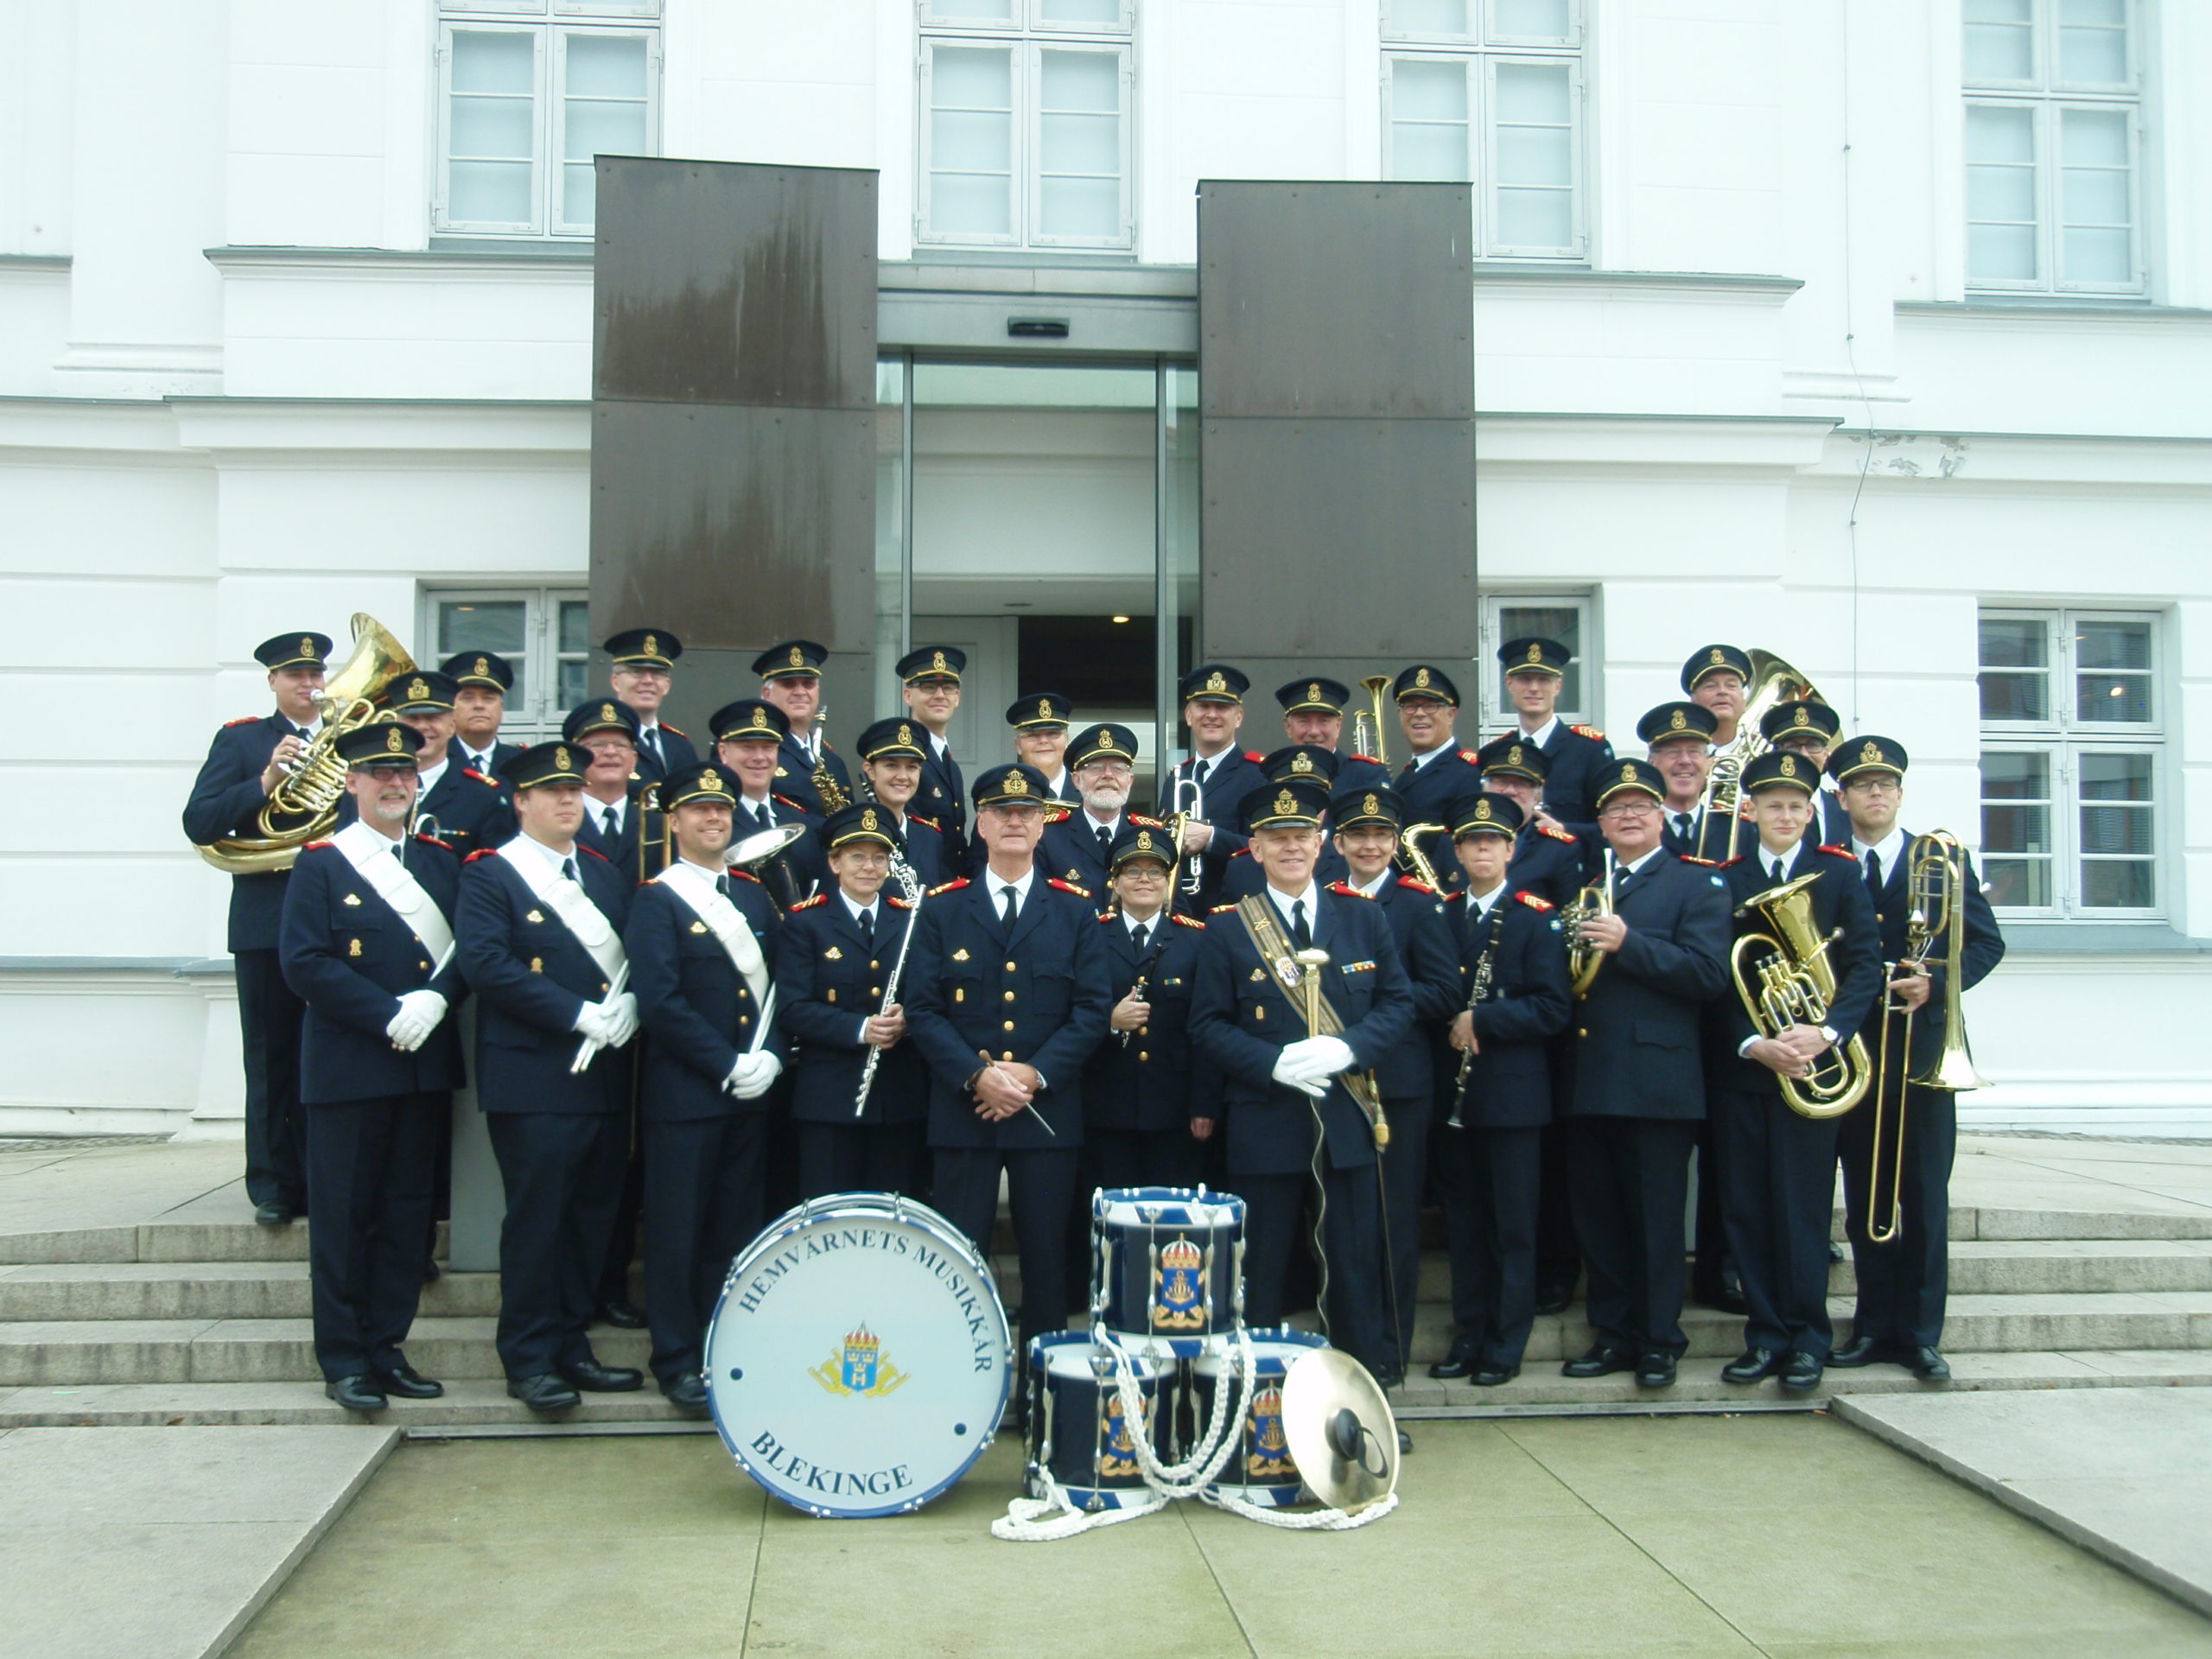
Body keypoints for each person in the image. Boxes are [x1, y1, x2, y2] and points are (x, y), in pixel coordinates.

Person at [1188, 777, 1414, 1382]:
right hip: (1265, 1123)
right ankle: (1252, 1413)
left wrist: (1348, 1047)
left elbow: (1397, 1005)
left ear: (1323, 845)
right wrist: (1272, 1063)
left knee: (1354, 1274)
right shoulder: (1229, 929)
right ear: (1254, 849)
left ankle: (1362, 1408)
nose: (1290, 847)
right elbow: (1206, 1026)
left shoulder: (1363, 920)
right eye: (1275, 838)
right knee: (1258, 1276)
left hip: (1347, 1122)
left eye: (1301, 836)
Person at [278, 722, 466, 1413]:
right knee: (343, 1217)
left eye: (405, 773)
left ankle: (388, 1348)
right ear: (353, 783)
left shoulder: (441, 863)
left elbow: (466, 956)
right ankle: (344, 1359)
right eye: (380, 774)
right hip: (351, 1067)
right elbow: (303, 962)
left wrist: (436, 1000)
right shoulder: (322, 862)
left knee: (406, 1218)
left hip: (421, 1069)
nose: (395, 784)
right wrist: (386, 1012)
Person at [454, 740, 643, 1414]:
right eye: (553, 792)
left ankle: (572, 1344)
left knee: (590, 1215)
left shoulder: (601, 871)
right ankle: (529, 1357)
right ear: (521, 800)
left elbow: (633, 953)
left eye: (575, 790)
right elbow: (486, 964)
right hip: (534, 1075)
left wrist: (628, 1003)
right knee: (538, 1219)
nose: (569, 800)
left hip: (604, 1076)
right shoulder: (490, 874)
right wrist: (577, 1014)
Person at [903, 763, 1112, 1364]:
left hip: (1045, 1112)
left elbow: (1092, 1009)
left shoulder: (1075, 911)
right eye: (1002, 812)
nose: (1016, 821)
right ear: (982, 825)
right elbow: (923, 1007)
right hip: (963, 1108)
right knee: (957, 1256)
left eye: (1027, 812)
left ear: (1044, 826)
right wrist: (977, 1075)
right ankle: (956, 1381)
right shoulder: (942, 909)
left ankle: (1042, 1393)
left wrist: (1034, 1074)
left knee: (1046, 1259)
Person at [1827, 735, 2005, 1382]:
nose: (1877, 793)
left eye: (1887, 784)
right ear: (1841, 797)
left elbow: (1986, 944)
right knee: (1867, 1193)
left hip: (1926, 1053)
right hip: (1857, 1056)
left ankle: (1922, 1334)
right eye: (1863, 784)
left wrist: (1937, 982)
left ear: (1900, 794)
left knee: (1925, 1196)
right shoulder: (1828, 862)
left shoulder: (1944, 856)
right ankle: (1873, 1326)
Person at [1708, 752, 1882, 1395]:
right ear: (1750, 810)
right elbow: (1717, 980)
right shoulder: (1725, 879)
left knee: (1802, 1212)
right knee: (1748, 1212)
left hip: (1812, 1065)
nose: (1784, 814)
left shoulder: (1837, 875)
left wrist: (1828, 1030)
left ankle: (1809, 1339)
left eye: (1795, 805)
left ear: (1811, 813)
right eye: (1772, 804)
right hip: (1749, 1073)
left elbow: (1865, 964)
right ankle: (1765, 1336)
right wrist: (1754, 1041)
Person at [1558, 758, 1731, 1389]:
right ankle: (1614, 1333)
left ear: (1662, 816)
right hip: (1587, 1076)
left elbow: (1709, 977)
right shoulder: (1585, 881)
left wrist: (1629, 943)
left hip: (1657, 1082)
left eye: (1640, 806)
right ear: (1600, 822)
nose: (1628, 816)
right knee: (1599, 1220)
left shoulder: (1696, 884)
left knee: (1656, 1223)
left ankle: (1660, 1340)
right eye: (1615, 809)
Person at [624, 760, 785, 1416]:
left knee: (737, 1230)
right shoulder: (655, 899)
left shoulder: (751, 894)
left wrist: (772, 1056)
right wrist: (727, 1063)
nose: (714, 819)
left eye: (722, 811)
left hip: (753, 1097)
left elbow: (782, 988)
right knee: (677, 1232)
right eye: (699, 811)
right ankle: (677, 1359)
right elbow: (661, 1003)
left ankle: (729, 1347)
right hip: (688, 1097)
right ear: (675, 821)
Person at [182, 629, 333, 1226]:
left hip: (336, 923)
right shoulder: (243, 741)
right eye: (294, 675)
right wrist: (267, 782)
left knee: (336, 1057)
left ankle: (329, 1177)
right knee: (271, 1057)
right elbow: (199, 821)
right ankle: (273, 1185)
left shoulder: (354, 746)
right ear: (273, 682)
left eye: (315, 673)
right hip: (267, 921)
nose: (307, 684)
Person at [1429, 791, 1571, 1387]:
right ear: (1457, 851)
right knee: (1464, 1225)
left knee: (1512, 1226)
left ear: (1511, 849)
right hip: (1452, 1097)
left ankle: (1505, 1345)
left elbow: (1552, 1008)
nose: (1481, 849)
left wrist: (1483, 1020)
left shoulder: (1535, 917)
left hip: (1512, 1097)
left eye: (1493, 841)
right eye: (1471, 841)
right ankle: (1469, 1335)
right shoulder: (1441, 913)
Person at [1326, 783, 1463, 1370]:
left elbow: (1444, 990)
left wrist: (1376, 1007)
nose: (1371, 845)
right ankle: (1346, 1341)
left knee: (1393, 1221)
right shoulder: (1323, 900)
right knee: (1340, 1220)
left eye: (1381, 836)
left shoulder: (1418, 904)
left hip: (1397, 1084)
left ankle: (1390, 1353)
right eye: (1359, 835)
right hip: (1336, 1083)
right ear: (1339, 842)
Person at [780, 803, 931, 1201]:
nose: (870, 867)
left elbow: (929, 994)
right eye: (857, 856)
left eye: (879, 857)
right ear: (834, 862)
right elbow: (792, 1008)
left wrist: (907, 1019)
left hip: (898, 1097)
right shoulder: (805, 922)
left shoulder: (911, 918)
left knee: (892, 1215)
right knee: (829, 1213)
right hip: (828, 1099)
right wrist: (861, 1029)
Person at [1079, 826, 1214, 1193]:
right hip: (1103, 1103)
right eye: (1132, 871)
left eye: (1155, 872)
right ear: (1115, 883)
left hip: (1173, 1106)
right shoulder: (1087, 936)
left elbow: (1205, 1030)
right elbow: (1068, 1010)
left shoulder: (1197, 941)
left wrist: (1203, 1105)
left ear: (1167, 882)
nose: (1144, 880)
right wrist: (1109, 1020)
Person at [1155, 664, 1266, 911]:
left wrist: (1212, 839)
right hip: (1177, 914)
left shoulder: (1258, 776)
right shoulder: (1176, 778)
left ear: (1238, 717)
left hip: (1233, 912)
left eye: (1222, 707)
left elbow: (1271, 849)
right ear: (1188, 715)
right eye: (1203, 707)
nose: (1212, 715)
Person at [380, 671, 512, 860]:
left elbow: (492, 872)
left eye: (432, 718)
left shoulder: (484, 796)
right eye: (412, 719)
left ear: (452, 726)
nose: (423, 727)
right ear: (396, 726)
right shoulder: (367, 787)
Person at [710, 698, 828, 909]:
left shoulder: (798, 820)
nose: (759, 757)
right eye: (747, 747)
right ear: (723, 752)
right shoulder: (713, 822)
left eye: (768, 747)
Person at [1495, 637, 1615, 832]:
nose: (1534, 688)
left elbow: (1611, 827)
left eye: (1543, 680)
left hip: (1571, 860)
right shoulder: (1500, 752)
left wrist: (1564, 829)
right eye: (1525, 679)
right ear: (1509, 683)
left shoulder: (1589, 749)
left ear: (1557, 686)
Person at [1039, 722, 1166, 894]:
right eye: (1096, 768)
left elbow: (1173, 910)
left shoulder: (1154, 836)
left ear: (1129, 780)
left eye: (1118, 768)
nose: (1108, 775)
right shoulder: (1046, 836)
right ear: (1076, 781)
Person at [1392, 664, 1483, 893]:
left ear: (1451, 714)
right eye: (1410, 706)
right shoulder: (1405, 777)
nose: (1419, 714)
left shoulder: (1470, 773)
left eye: (1431, 706)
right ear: (1400, 714)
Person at [1472, 735, 1589, 907]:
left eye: (1522, 784)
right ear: (1485, 788)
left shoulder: (1559, 850)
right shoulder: (1456, 840)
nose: (1510, 791)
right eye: (1502, 781)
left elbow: (1567, 919)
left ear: (1537, 795)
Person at [565, 697, 666, 882]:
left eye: (620, 745)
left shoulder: (660, 823)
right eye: (598, 745)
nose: (611, 752)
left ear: (634, 760)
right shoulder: (559, 819)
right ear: (575, 758)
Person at [1642, 700, 1753, 864]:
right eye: (1673, 753)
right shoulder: (1636, 826)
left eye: (1694, 752)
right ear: (1652, 761)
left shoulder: (1739, 829)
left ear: (1709, 762)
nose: (1685, 761)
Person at [753, 639, 852, 814]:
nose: (800, 692)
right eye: (789, 684)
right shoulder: (753, 751)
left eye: (808, 684)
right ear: (766, 694)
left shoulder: (832, 761)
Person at [853, 716, 953, 889]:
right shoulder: (850, 835)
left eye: (911, 767)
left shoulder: (930, 838)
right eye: (891, 765)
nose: (902, 776)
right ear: (870, 771)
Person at [899, 645, 969, 861]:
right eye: (928, 687)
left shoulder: (949, 764)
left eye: (947, 688)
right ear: (908, 696)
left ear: (957, 697)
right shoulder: (901, 756)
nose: (939, 695)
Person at [604, 628, 696, 785]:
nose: (648, 681)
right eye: (637, 672)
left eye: (657, 673)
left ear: (667, 685)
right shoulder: (602, 743)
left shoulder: (681, 746)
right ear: (616, 682)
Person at [1273, 676, 1389, 791]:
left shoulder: (1367, 776)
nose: (1314, 731)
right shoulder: (1273, 779)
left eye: (1324, 721)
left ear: (1338, 725)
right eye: (1304, 721)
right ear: (1288, 727)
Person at [1762, 699, 1853, 844]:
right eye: (1793, 746)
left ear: (1825, 753)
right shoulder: (1759, 809)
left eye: (1813, 745)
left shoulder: (1848, 811)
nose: (1804, 754)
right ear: (1778, 753)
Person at [441, 649, 522, 776]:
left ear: (501, 707)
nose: (479, 705)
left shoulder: (520, 763)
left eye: (488, 698)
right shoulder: (435, 760)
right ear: (451, 707)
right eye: (468, 698)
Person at [1005, 691, 1082, 805]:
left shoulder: (1088, 791)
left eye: (1052, 733)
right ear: (1018, 745)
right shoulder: (1000, 796)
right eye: (1032, 735)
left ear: (1066, 740)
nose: (1043, 741)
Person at [1682, 644, 1755, 747]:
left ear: (1743, 701)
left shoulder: (1766, 757)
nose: (1722, 691)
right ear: (1694, 701)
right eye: (1710, 686)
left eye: (1731, 685)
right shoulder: (1679, 759)